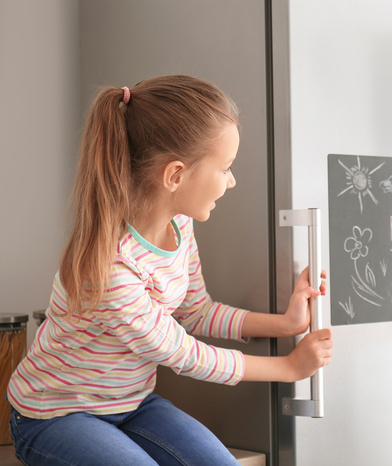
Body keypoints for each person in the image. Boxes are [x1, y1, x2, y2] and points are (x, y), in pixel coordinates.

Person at [6, 75, 333, 465]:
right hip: (55, 414)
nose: (231, 182)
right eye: (225, 168)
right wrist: (289, 368)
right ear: (175, 175)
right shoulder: (111, 265)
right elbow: (184, 353)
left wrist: (286, 324)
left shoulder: (179, 226)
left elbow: (196, 312)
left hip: (132, 404)